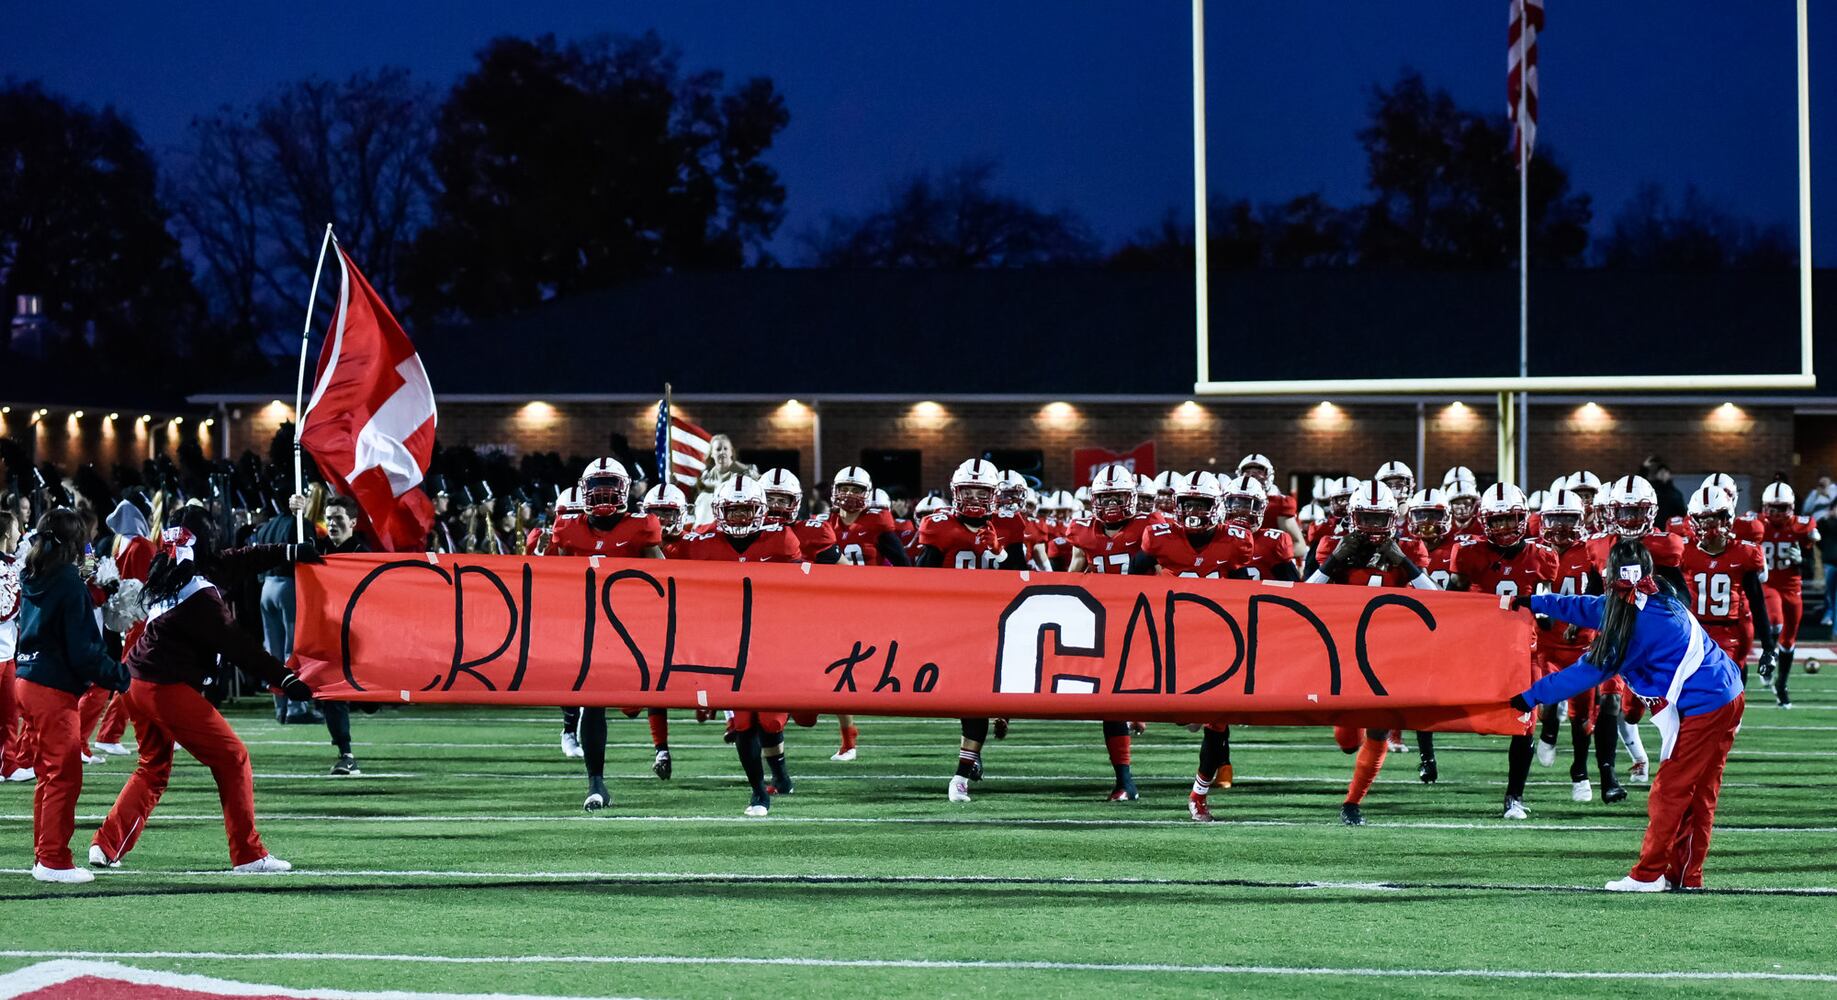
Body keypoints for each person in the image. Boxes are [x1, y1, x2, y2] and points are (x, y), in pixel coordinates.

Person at [87, 505, 318, 873]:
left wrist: (290, 551)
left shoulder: (174, 569)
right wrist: (285, 678)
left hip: (138, 680)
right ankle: (248, 854)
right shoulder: (200, 593)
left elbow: (241, 559)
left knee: (153, 769)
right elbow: (237, 644)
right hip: (164, 686)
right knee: (232, 758)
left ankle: (106, 844)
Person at [1512, 539, 1745, 891]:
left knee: (1671, 791)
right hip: (1721, 691)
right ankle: (1685, 876)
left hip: (1707, 703)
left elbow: (1584, 672)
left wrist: (1529, 697)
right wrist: (1535, 602)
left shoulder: (1633, 627)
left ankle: (1649, 875)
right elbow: (1588, 607)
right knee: (1698, 793)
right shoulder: (1653, 597)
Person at [1304, 481, 1436, 826]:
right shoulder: (1332, 544)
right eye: (1367, 518)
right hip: (1342, 648)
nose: (1374, 527)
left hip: (1391, 650)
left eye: (1381, 519)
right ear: (1353, 516)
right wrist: (1334, 561)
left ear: (1393, 518)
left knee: (1378, 729)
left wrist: (1404, 563)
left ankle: (1352, 803)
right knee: (1347, 740)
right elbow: (1302, 599)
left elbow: (1439, 599)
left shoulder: (1410, 547)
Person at [675, 477, 803, 816]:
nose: (740, 518)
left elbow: (804, 590)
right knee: (745, 721)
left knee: (772, 722)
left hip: (773, 641)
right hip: (727, 644)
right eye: (732, 511)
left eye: (747, 510)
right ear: (719, 511)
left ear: (760, 510)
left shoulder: (782, 538)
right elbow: (662, 568)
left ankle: (781, 775)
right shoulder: (701, 543)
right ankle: (759, 791)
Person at [16, 509, 130, 883]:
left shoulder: (34, 572)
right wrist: (119, 674)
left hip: (28, 679)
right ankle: (53, 860)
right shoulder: (66, 579)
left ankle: (45, 855)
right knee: (63, 775)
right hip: (51, 687)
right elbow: (83, 651)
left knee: (50, 775)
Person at [549, 459, 666, 809]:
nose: (603, 492)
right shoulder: (567, 527)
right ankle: (596, 784)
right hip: (589, 627)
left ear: (625, 489)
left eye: (610, 485)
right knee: (592, 700)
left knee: (644, 698)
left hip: (634, 631)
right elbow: (548, 577)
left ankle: (664, 749)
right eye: (597, 485)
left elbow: (665, 577)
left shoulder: (642, 526)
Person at [1447, 485, 1564, 816]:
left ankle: (1515, 797)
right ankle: (1426, 758)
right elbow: (1449, 601)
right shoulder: (1468, 552)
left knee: (1526, 718)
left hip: (1522, 651)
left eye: (1511, 520)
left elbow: (1545, 610)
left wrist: (1544, 617)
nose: (1505, 529)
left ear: (1524, 518)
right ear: (1484, 523)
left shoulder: (1543, 556)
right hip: (1480, 647)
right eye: (1497, 522)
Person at [917, 460, 1026, 803]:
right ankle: (973, 753)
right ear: (955, 493)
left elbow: (1022, 576)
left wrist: (1000, 552)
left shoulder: (1010, 523)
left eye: (982, 492)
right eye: (969, 492)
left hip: (999, 620)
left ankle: (962, 773)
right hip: (957, 623)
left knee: (977, 694)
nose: (975, 498)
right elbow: (921, 577)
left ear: (994, 495)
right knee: (965, 695)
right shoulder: (938, 525)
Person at [1747, 482, 1818, 708]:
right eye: (1772, 508)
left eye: (1781, 508)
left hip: (1792, 587)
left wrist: (1801, 560)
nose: (1776, 513)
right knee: (1775, 622)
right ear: (1764, 507)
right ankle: (1769, 655)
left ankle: (1782, 684)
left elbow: (1810, 565)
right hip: (1768, 584)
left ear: (1792, 507)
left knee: (1788, 640)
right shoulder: (1754, 523)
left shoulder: (1802, 527)